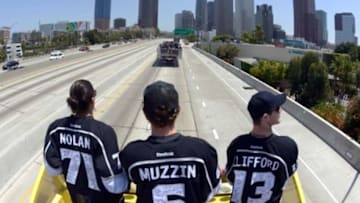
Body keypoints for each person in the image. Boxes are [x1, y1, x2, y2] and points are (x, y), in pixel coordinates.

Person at [120, 80, 221, 203]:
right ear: (178, 110)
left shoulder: (131, 154)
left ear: (145, 112)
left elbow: (118, 185)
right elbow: (212, 191)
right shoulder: (201, 151)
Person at [43, 79, 128, 203]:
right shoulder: (103, 132)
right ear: (92, 99)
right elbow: (115, 184)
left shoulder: (55, 129)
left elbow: (53, 169)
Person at [225, 91, 298, 203]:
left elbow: (231, 179)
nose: (280, 111)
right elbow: (285, 181)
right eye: (277, 109)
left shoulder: (236, 146)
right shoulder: (286, 148)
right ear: (265, 117)